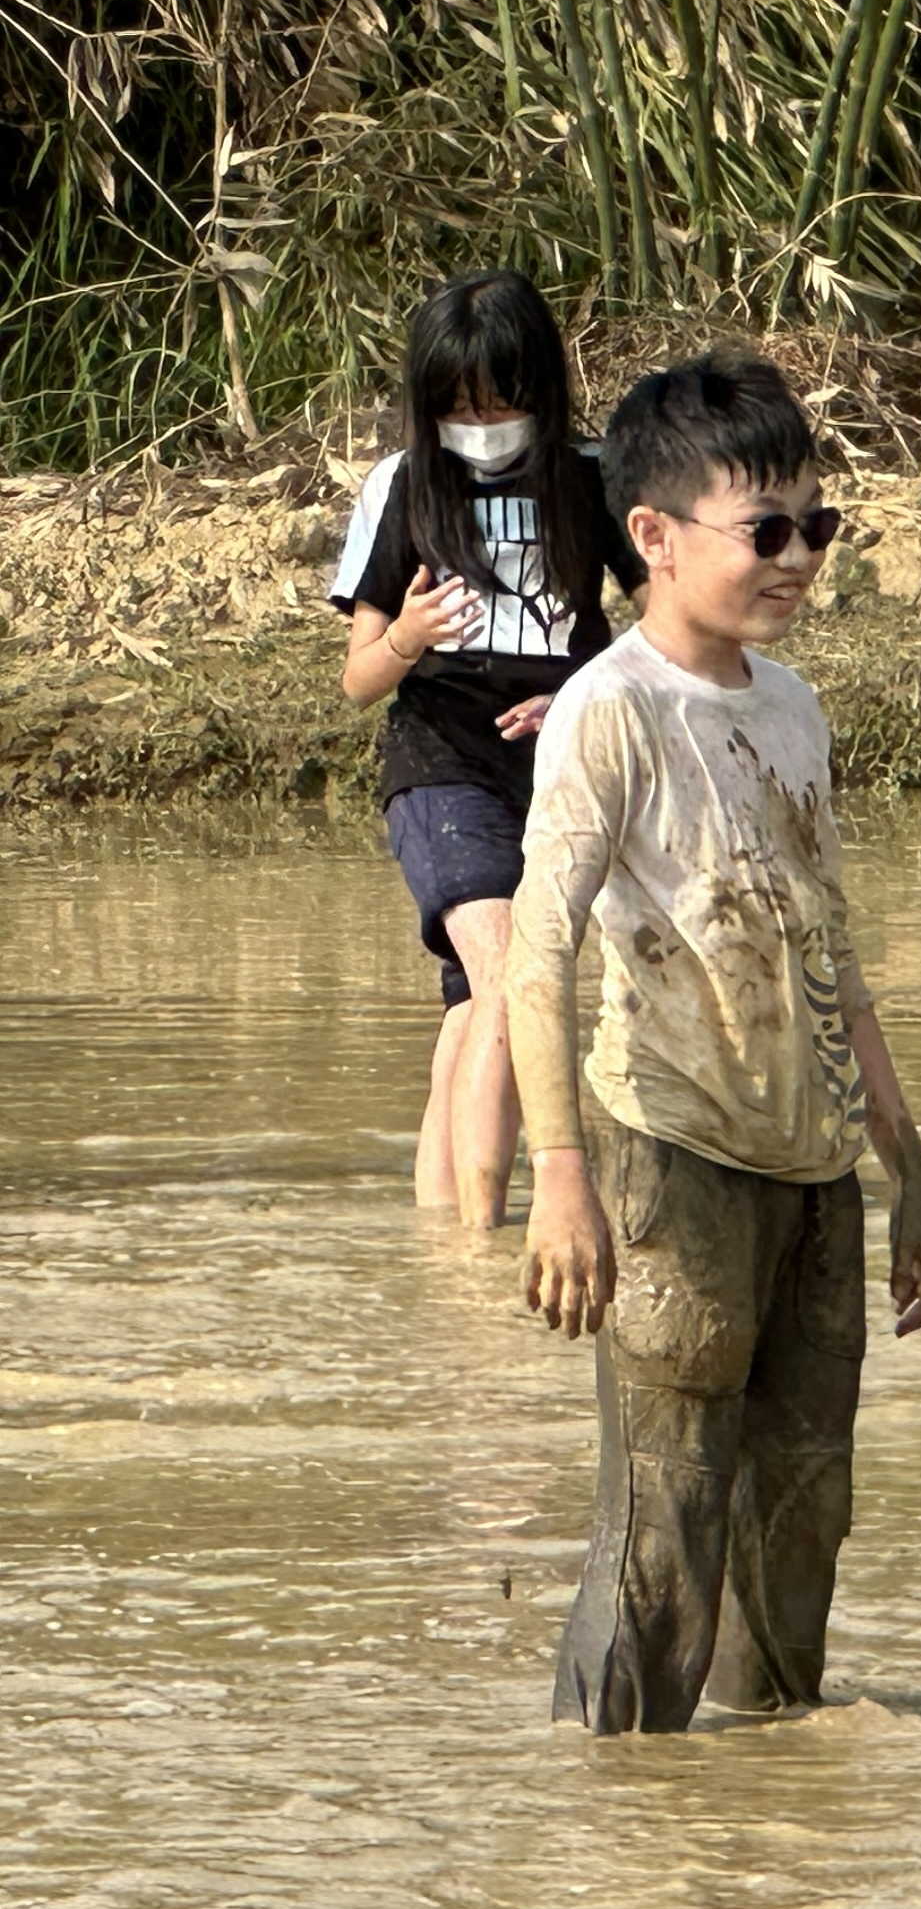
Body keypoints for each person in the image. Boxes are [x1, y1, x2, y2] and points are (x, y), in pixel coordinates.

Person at [505, 352, 921, 1734]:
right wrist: (563, 1179)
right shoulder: (610, 710)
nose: (800, 556)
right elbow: (537, 952)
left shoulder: (793, 706)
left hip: (810, 1165)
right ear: (656, 534)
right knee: (666, 1516)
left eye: (819, 526)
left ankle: (762, 1804)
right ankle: (619, 1798)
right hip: (672, 1152)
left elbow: (831, 941)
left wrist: (905, 1163)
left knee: (804, 1506)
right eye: (768, 529)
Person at [329, 270, 640, 1228]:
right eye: (460, 407)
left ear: (541, 389)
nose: (483, 422)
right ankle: (488, 1241)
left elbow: (665, 615)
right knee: (514, 977)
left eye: (502, 402)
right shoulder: (404, 484)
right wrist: (409, 635)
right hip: (438, 764)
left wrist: (581, 694)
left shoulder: (591, 478)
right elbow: (358, 679)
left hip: (555, 768)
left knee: (475, 1012)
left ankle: (441, 1246)